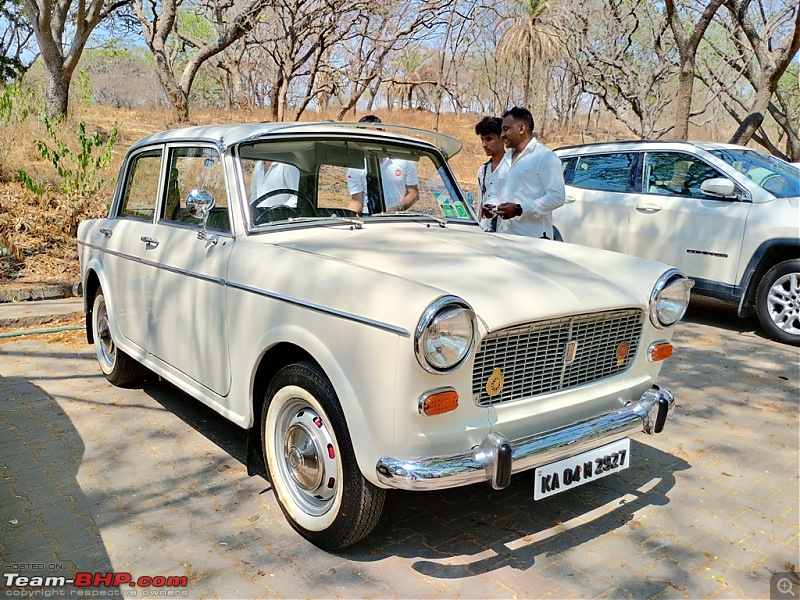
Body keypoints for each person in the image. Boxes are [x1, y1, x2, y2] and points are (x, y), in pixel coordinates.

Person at [494, 107, 565, 239]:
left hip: (532, 241)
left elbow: (557, 197)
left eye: (506, 129)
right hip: (503, 236)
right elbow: (496, 189)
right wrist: (491, 206)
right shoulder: (506, 158)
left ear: (521, 129)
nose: (502, 135)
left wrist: (520, 209)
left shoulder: (545, 157)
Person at [347, 115, 419, 215]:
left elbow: (414, 193)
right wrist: (344, 216)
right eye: (365, 136)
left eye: (375, 134)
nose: (371, 139)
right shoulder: (355, 166)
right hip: (367, 218)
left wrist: (398, 208)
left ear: (383, 132)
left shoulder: (404, 159)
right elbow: (357, 201)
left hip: (397, 218)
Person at [474, 116, 507, 231]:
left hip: (505, 231)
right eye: (482, 140)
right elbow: (481, 202)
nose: (484, 144)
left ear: (502, 139)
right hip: (484, 229)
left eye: (489, 139)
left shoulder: (512, 168)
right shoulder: (483, 170)